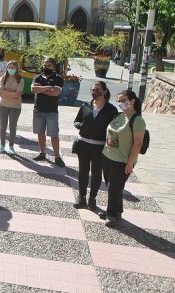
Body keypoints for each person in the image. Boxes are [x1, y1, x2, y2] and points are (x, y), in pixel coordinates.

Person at [99, 90, 146, 227]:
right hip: (108, 156)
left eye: (124, 100)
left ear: (132, 101)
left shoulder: (137, 120)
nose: (121, 103)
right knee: (112, 186)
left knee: (114, 187)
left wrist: (130, 163)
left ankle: (112, 215)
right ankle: (117, 210)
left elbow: (138, 143)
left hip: (122, 160)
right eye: (119, 101)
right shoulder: (119, 116)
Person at [72, 81, 118, 210]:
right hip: (83, 144)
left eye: (98, 90)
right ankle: (81, 197)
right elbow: (77, 120)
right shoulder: (85, 105)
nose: (95, 92)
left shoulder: (111, 110)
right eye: (93, 90)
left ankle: (92, 198)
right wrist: (79, 125)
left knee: (97, 173)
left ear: (105, 92)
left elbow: (114, 128)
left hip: (99, 146)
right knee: (83, 171)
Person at [31, 57, 65, 167]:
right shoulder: (38, 77)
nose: (46, 67)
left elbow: (56, 93)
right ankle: (42, 153)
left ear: (54, 67)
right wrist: (49, 87)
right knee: (40, 133)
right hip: (38, 109)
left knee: (54, 135)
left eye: (49, 66)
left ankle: (57, 157)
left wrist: (41, 89)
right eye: (45, 65)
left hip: (52, 111)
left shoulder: (58, 78)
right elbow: (33, 89)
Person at [0, 60, 24, 154]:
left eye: (12, 67)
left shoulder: (20, 79)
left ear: (16, 68)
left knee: (13, 127)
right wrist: (12, 94)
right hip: (3, 105)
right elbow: (1, 93)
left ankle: (11, 146)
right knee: (2, 127)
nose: (10, 69)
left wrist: (6, 93)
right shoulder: (3, 78)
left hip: (15, 107)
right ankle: (2, 146)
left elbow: (18, 94)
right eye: (9, 67)